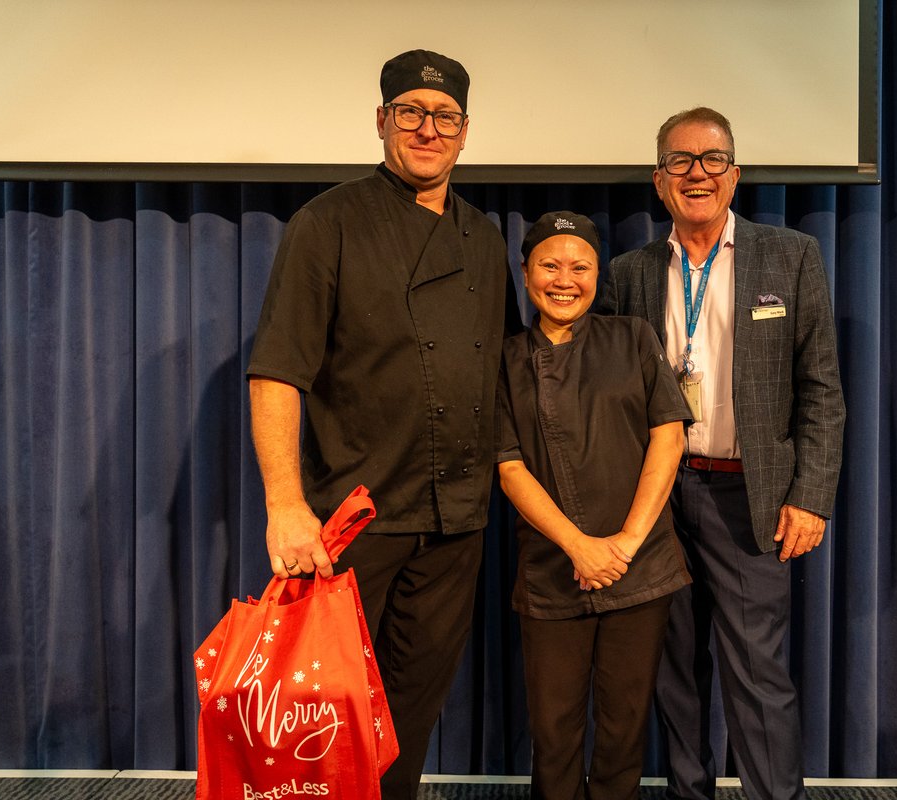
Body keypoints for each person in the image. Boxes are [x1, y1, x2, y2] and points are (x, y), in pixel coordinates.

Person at [245, 49, 517, 799]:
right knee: (330, 711)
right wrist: (285, 504)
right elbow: (277, 370)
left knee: (411, 710)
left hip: (458, 518)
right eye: (411, 113)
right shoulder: (326, 222)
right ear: (381, 121)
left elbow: (506, 373)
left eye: (445, 117)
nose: (428, 129)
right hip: (357, 516)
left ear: (465, 134)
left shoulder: (485, 240)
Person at [596, 108, 846, 800]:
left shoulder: (791, 257)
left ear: (734, 175)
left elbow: (820, 388)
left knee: (757, 674)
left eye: (711, 160)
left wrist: (811, 495)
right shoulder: (628, 273)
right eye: (680, 161)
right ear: (659, 180)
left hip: (751, 497)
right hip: (661, 498)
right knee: (673, 669)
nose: (696, 172)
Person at [496, 211, 692, 799]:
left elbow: (670, 434)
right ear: (526, 274)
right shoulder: (504, 360)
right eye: (549, 265)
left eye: (579, 266)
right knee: (553, 731)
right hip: (553, 569)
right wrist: (580, 546)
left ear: (597, 274)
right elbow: (508, 467)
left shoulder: (632, 336)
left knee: (624, 724)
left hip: (642, 564)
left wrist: (625, 545)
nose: (565, 279)